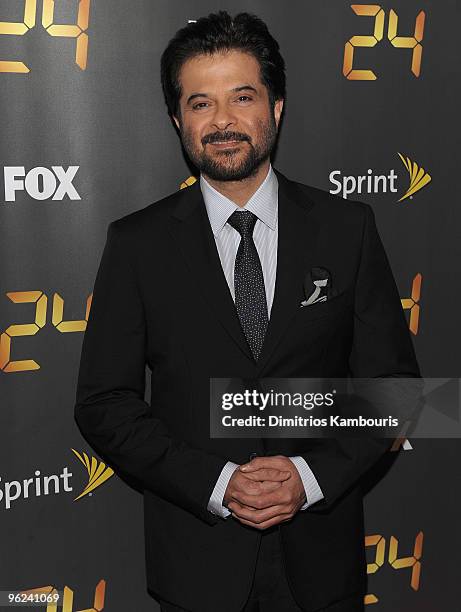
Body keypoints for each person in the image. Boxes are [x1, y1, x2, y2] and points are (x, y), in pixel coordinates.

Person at [74, 10, 421, 612]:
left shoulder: (347, 229)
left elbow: (396, 391)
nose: (223, 122)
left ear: (276, 107)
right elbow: (104, 402)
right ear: (176, 118)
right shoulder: (137, 244)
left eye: (242, 97)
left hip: (323, 560)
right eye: (200, 103)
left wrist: (309, 479)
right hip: (196, 564)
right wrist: (215, 483)